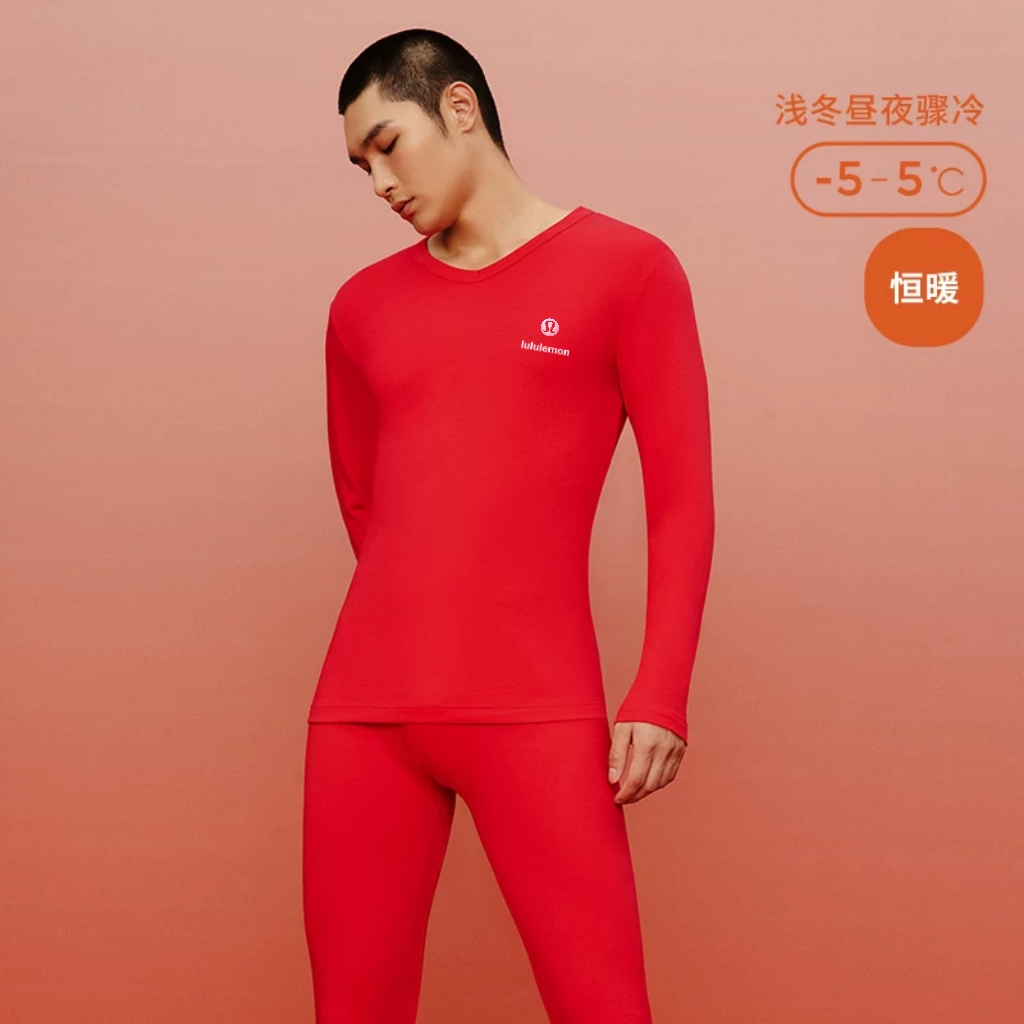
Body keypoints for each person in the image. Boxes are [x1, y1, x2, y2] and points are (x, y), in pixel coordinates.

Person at [303, 27, 715, 1024]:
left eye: (387, 145)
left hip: (536, 708)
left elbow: (681, 495)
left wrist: (659, 691)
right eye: (360, 165)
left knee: (603, 1006)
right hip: (362, 714)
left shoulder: (627, 269)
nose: (378, 183)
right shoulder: (360, 308)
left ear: (459, 107)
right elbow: (365, 502)